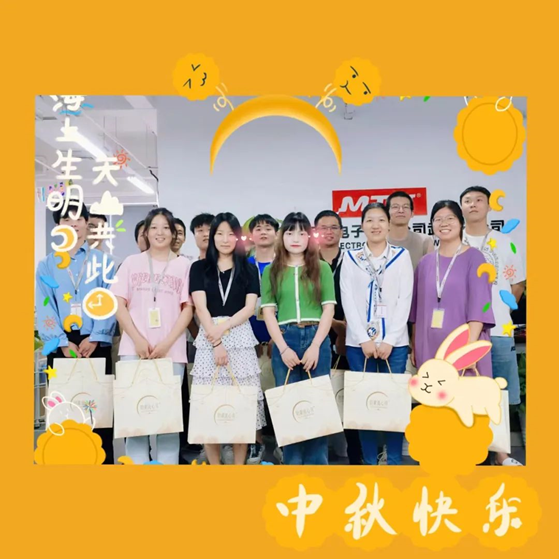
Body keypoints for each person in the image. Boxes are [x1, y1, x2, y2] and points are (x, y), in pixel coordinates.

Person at [111, 208, 193, 465]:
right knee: (135, 420)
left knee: (168, 422)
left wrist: (167, 343)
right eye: (154, 227)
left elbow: (188, 309)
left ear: (174, 233)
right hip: (133, 351)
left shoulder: (184, 266)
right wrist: (137, 339)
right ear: (145, 232)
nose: (160, 232)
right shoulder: (131, 262)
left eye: (166, 227)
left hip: (172, 352)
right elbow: (118, 304)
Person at [36, 203, 117, 464]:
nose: (73, 223)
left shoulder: (103, 262)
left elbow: (110, 300)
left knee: (98, 410)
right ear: (57, 226)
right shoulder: (47, 265)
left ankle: (102, 465)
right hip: (62, 345)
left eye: (78, 218)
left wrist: (96, 336)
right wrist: (61, 342)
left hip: (96, 342)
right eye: (66, 219)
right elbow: (45, 305)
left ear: (86, 222)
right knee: (64, 410)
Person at [340, 203, 414, 465]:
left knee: (394, 404)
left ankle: (393, 461)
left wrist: (390, 340)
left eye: (381, 220)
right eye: (369, 220)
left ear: (389, 224)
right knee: (365, 406)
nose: (375, 225)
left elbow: (405, 299)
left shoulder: (401, 256)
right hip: (358, 344)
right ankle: (370, 462)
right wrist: (363, 339)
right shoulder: (351, 257)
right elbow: (347, 299)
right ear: (361, 225)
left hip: (395, 344)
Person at [189, 212, 265, 465]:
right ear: (212, 237)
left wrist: (224, 328)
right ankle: (215, 468)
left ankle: (238, 469)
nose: (225, 239)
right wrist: (216, 340)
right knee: (208, 403)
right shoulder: (199, 268)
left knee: (241, 405)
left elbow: (250, 307)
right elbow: (200, 307)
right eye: (219, 234)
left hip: (240, 337)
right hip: (208, 337)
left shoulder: (249, 268)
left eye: (230, 234)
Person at [261, 212, 336, 465]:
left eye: (302, 233)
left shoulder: (322, 268)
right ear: (282, 236)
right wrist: (283, 349)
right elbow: (268, 312)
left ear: (309, 237)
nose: (296, 238)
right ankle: (292, 466)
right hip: (286, 337)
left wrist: (315, 346)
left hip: (317, 337)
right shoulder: (271, 271)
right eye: (290, 232)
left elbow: (328, 309)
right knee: (289, 408)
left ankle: (318, 467)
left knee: (318, 406)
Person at [461, 186, 526, 466]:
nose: (473, 204)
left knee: (499, 393)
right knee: (465, 394)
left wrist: (498, 311)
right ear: (461, 208)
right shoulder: (452, 241)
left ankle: (501, 454)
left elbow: (517, 285)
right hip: (461, 334)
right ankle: (469, 452)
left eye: (479, 200)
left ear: (489, 207)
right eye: (467, 201)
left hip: (499, 331)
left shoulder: (505, 242)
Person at [410, 200, 495, 378]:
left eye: (450, 218)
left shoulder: (475, 258)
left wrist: (469, 349)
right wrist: (415, 345)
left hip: (462, 346)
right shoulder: (425, 262)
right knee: (434, 393)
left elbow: (479, 308)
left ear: (461, 222)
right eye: (438, 219)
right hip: (429, 347)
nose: (444, 223)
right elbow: (417, 312)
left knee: (465, 394)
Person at [314, 209, 362, 465]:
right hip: (315, 338)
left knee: (350, 398)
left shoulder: (353, 260)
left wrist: (345, 330)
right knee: (318, 398)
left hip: (350, 337)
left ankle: (355, 459)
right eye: (323, 227)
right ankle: (318, 458)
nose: (329, 232)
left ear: (343, 232)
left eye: (334, 227)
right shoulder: (307, 262)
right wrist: (332, 324)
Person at [246, 214, 279, 464]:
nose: (264, 232)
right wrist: (250, 339)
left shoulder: (285, 263)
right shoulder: (243, 265)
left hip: (281, 340)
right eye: (258, 228)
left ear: (277, 234)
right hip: (249, 341)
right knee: (251, 396)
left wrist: (278, 338)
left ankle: (283, 443)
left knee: (282, 394)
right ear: (251, 235)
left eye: (268, 228)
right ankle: (254, 443)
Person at [385, 191, 434, 269]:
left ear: (412, 213)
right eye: (395, 207)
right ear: (386, 213)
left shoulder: (424, 241)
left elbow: (430, 272)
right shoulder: (379, 241)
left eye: (406, 207)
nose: (401, 210)